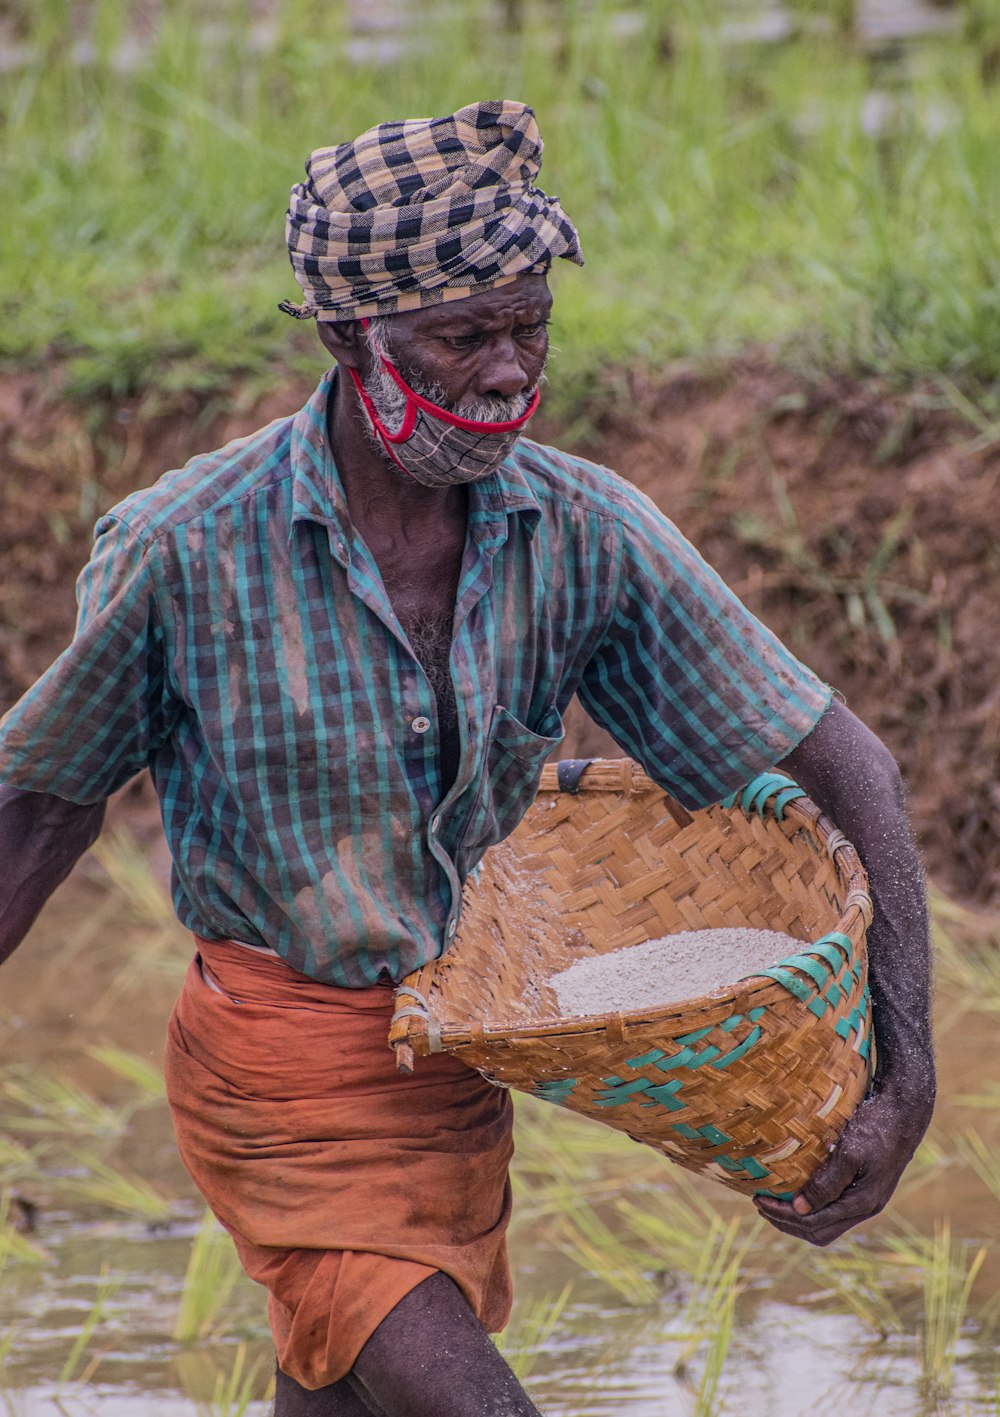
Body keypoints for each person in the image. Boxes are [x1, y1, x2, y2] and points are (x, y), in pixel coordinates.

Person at [0, 100, 934, 1417]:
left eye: (529, 327)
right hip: (279, 1071)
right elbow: (36, 815)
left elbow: (856, 772)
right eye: (464, 336)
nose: (509, 371)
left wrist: (908, 1081)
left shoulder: (581, 532)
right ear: (345, 334)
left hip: (456, 1068)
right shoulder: (188, 549)